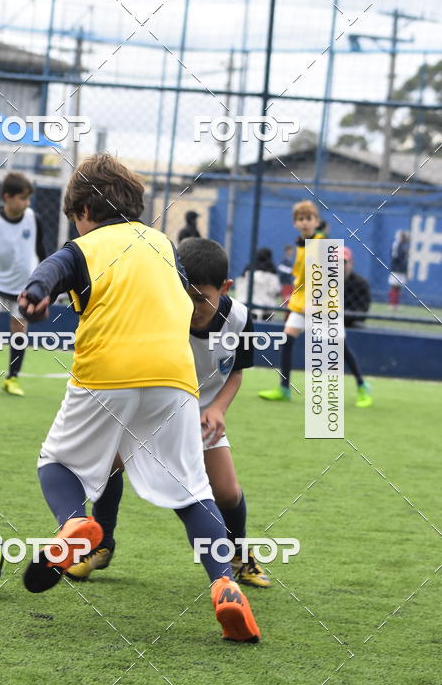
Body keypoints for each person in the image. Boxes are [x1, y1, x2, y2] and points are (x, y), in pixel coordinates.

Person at [18, 153, 260, 643]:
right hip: (175, 379)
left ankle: (75, 525)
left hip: (107, 372)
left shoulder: (87, 245)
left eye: (74, 219)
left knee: (55, 464)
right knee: (193, 492)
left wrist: (35, 292)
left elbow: (57, 265)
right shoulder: (164, 245)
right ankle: (225, 585)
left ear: (84, 211)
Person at [68, 236, 270, 591]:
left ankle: (238, 554)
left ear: (225, 287)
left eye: (201, 297)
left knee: (226, 492)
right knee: (105, 463)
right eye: (184, 294)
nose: (192, 306)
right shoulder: (158, 313)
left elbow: (236, 372)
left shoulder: (240, 320)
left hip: (201, 418)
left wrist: (219, 409)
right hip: (149, 411)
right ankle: (102, 543)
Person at [0, 172, 46, 396]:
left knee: (19, 327)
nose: (26, 203)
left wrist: (46, 281)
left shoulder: (33, 219)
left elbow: (41, 251)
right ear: (7, 196)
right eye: (22, 198)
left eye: (28, 199)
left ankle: (12, 378)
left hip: (23, 286)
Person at [258, 199, 325, 402]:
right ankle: (284, 389)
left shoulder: (319, 244)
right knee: (287, 342)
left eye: (309, 218)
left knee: (339, 345)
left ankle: (361, 385)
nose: (305, 222)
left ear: (317, 221)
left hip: (317, 304)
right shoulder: (301, 244)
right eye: (300, 219)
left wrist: (315, 301)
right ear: (295, 223)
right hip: (301, 304)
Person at [343, 247, 373, 408]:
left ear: (351, 263)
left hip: (351, 323)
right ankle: (285, 386)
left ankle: (361, 385)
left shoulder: (361, 283)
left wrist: (340, 314)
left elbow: (362, 313)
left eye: (344, 262)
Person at [234, 247, 280, 320]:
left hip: (244, 306)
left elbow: (240, 288)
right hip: (265, 310)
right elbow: (275, 290)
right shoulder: (272, 274)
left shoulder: (247, 272)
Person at [388, 230, 410, 311]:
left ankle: (396, 304)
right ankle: (392, 304)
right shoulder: (396, 244)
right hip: (396, 268)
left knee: (399, 287)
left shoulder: (403, 245)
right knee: (394, 286)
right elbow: (395, 256)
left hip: (401, 269)